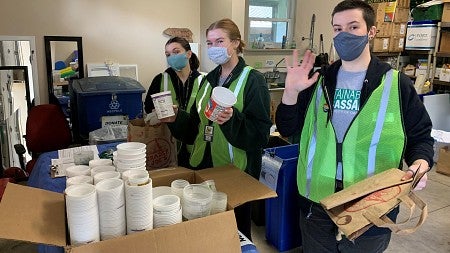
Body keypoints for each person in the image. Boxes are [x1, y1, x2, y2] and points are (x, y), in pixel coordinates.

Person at [275, 1, 434, 252]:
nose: (344, 35)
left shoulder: (395, 84)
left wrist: (421, 163)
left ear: (371, 32)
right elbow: (286, 127)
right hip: (317, 203)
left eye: (353, 26)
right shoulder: (320, 81)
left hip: (372, 205)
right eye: (337, 29)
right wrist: (290, 92)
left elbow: (421, 137)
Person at [162, 18, 272, 240]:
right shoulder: (207, 81)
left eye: (220, 41)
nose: (214, 48)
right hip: (205, 165)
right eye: (210, 43)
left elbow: (260, 135)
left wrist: (232, 119)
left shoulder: (252, 80)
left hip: (235, 170)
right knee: (207, 230)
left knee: (234, 233)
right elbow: (196, 125)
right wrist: (176, 118)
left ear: (235, 43)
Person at [144, 36, 203, 169]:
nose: (171, 57)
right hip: (167, 143)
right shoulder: (160, 79)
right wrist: (157, 110)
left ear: (188, 54)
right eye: (168, 54)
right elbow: (148, 107)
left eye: (176, 52)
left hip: (195, 144)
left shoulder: (203, 81)